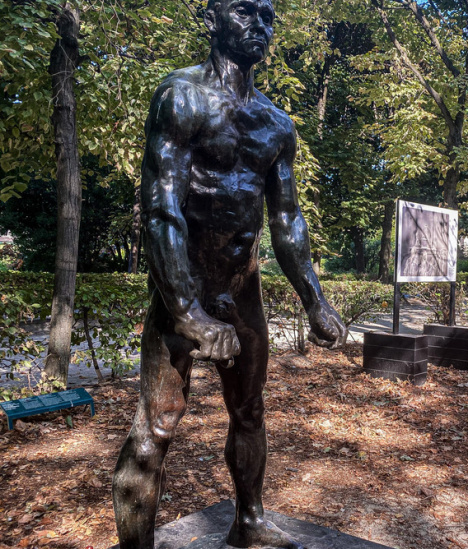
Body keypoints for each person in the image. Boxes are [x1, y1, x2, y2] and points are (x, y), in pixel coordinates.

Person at [111, 1, 346, 547]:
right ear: (211, 17)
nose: (259, 25)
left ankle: (250, 523)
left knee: (250, 411)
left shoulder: (276, 124)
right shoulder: (180, 97)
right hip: (181, 293)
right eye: (245, 11)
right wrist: (186, 310)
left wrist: (315, 300)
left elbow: (287, 220)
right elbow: (161, 208)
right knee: (155, 431)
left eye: (268, 15)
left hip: (243, 293)